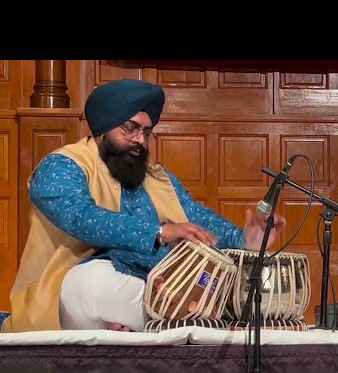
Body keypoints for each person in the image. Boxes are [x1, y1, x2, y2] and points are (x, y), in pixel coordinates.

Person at [1, 79, 286, 334]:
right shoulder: (62, 166)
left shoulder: (155, 177)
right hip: (66, 295)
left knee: (209, 280)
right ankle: (201, 319)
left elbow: (196, 219)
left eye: (146, 132)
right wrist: (159, 232)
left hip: (150, 288)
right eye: (130, 129)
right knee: (91, 282)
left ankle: (179, 317)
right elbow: (80, 217)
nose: (140, 140)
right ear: (102, 127)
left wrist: (245, 239)